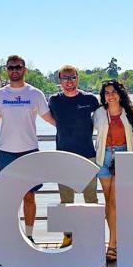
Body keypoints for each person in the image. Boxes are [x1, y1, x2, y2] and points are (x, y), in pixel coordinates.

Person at [0, 55, 55, 243]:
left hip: (29, 152)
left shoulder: (35, 94)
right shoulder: (0, 94)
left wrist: (74, 129)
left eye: (18, 67)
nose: (14, 70)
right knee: (8, 199)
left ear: (25, 69)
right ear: (6, 70)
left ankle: (30, 236)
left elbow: (49, 118)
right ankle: (11, 237)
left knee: (29, 196)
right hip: (6, 153)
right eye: (10, 67)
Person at [48, 65, 100, 247]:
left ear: (77, 78)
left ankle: (92, 236)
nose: (69, 82)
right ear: (60, 81)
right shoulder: (54, 100)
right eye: (65, 78)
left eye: (72, 78)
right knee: (66, 201)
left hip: (88, 155)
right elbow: (50, 118)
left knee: (91, 199)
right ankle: (68, 237)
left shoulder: (90, 99)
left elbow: (105, 117)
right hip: (64, 157)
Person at [93, 79, 133, 261]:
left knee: (115, 202)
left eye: (114, 92)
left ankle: (112, 245)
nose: (111, 95)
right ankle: (115, 238)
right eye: (107, 92)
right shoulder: (99, 113)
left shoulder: (129, 113)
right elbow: (87, 131)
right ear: (103, 96)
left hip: (124, 157)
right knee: (108, 202)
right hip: (103, 158)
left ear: (120, 94)